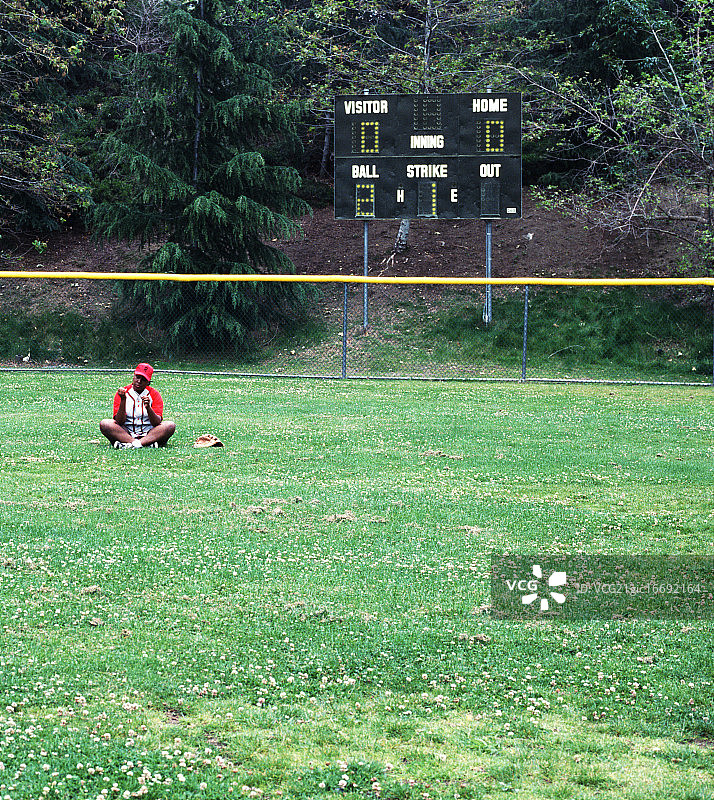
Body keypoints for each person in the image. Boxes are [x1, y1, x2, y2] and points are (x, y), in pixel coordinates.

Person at [100, 363, 176, 448]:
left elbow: (156, 422)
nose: (139, 381)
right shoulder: (123, 392)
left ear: (148, 382)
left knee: (170, 425)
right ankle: (143, 443)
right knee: (105, 423)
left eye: (143, 379)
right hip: (126, 432)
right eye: (137, 377)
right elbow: (119, 421)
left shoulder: (154, 394)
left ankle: (129, 444)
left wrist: (148, 408)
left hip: (149, 432)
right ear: (133, 376)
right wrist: (123, 400)